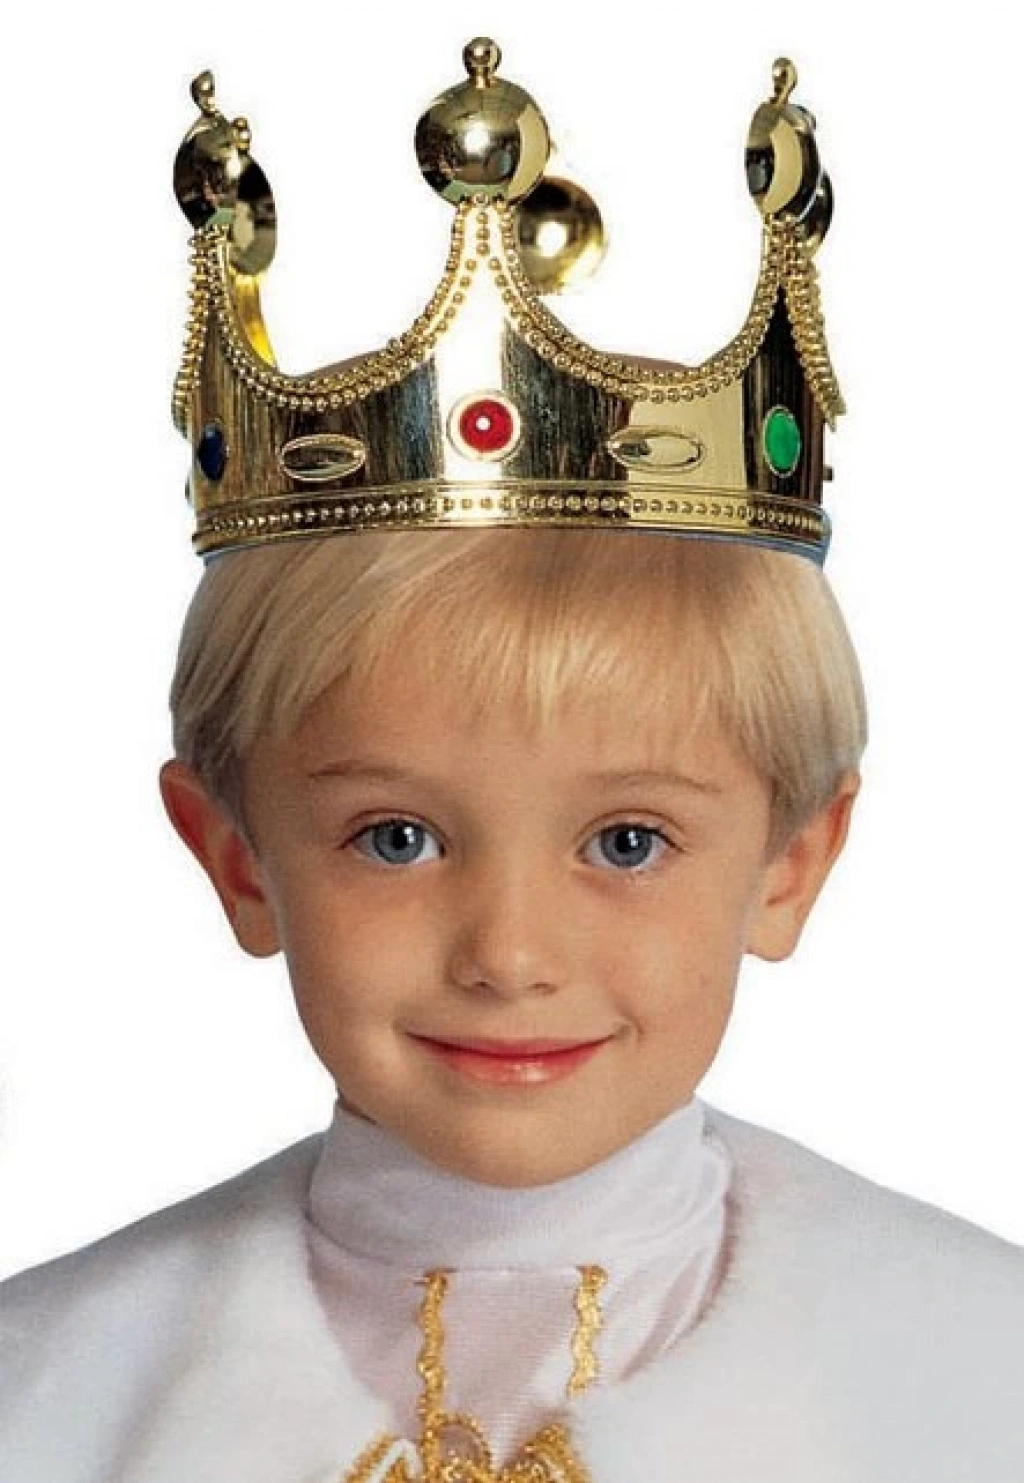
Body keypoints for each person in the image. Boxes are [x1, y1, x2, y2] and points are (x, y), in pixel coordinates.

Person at [2, 38, 1021, 1483]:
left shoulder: (978, 1370)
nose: (510, 953)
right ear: (236, 857)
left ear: (792, 862)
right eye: (397, 837)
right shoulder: (45, 1390)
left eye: (626, 841)